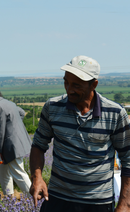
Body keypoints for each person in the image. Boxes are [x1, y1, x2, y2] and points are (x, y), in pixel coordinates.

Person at [29, 55, 130, 212]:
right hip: (57, 199)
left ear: (93, 85)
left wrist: (124, 204)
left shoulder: (115, 113)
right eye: (66, 82)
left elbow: (128, 157)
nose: (69, 89)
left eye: (76, 85)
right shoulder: (52, 108)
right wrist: (37, 177)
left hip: (97, 203)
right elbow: (38, 146)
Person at [0, 85, 32, 195]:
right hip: (14, 143)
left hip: (10, 146)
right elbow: (22, 113)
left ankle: (34, 200)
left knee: (19, 173)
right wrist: (14, 127)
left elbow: (0, 130)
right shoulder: (9, 103)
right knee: (2, 170)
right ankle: (8, 199)